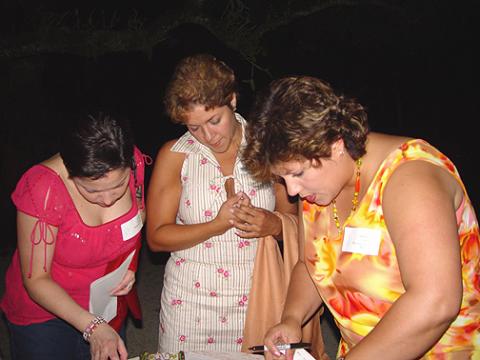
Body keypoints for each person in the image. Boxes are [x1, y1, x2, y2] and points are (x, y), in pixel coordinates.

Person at [241, 76, 480, 359]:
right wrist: (292, 319)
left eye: (298, 173)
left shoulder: (410, 178)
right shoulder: (318, 190)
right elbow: (311, 265)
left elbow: (435, 302)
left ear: (336, 145)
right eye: (282, 178)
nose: (292, 191)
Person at [146, 54, 325, 355]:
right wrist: (216, 225)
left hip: (256, 295)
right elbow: (156, 237)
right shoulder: (175, 155)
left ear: (232, 100)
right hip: (189, 301)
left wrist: (273, 224)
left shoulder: (266, 145)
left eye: (214, 120)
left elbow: (295, 221)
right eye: (194, 127)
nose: (208, 136)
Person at [0, 111, 148, 360]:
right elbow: (36, 279)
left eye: (118, 186)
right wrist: (93, 327)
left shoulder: (133, 162)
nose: (108, 199)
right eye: (92, 190)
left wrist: (129, 265)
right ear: (70, 172)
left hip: (106, 302)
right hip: (43, 315)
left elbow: (138, 217)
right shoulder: (43, 189)